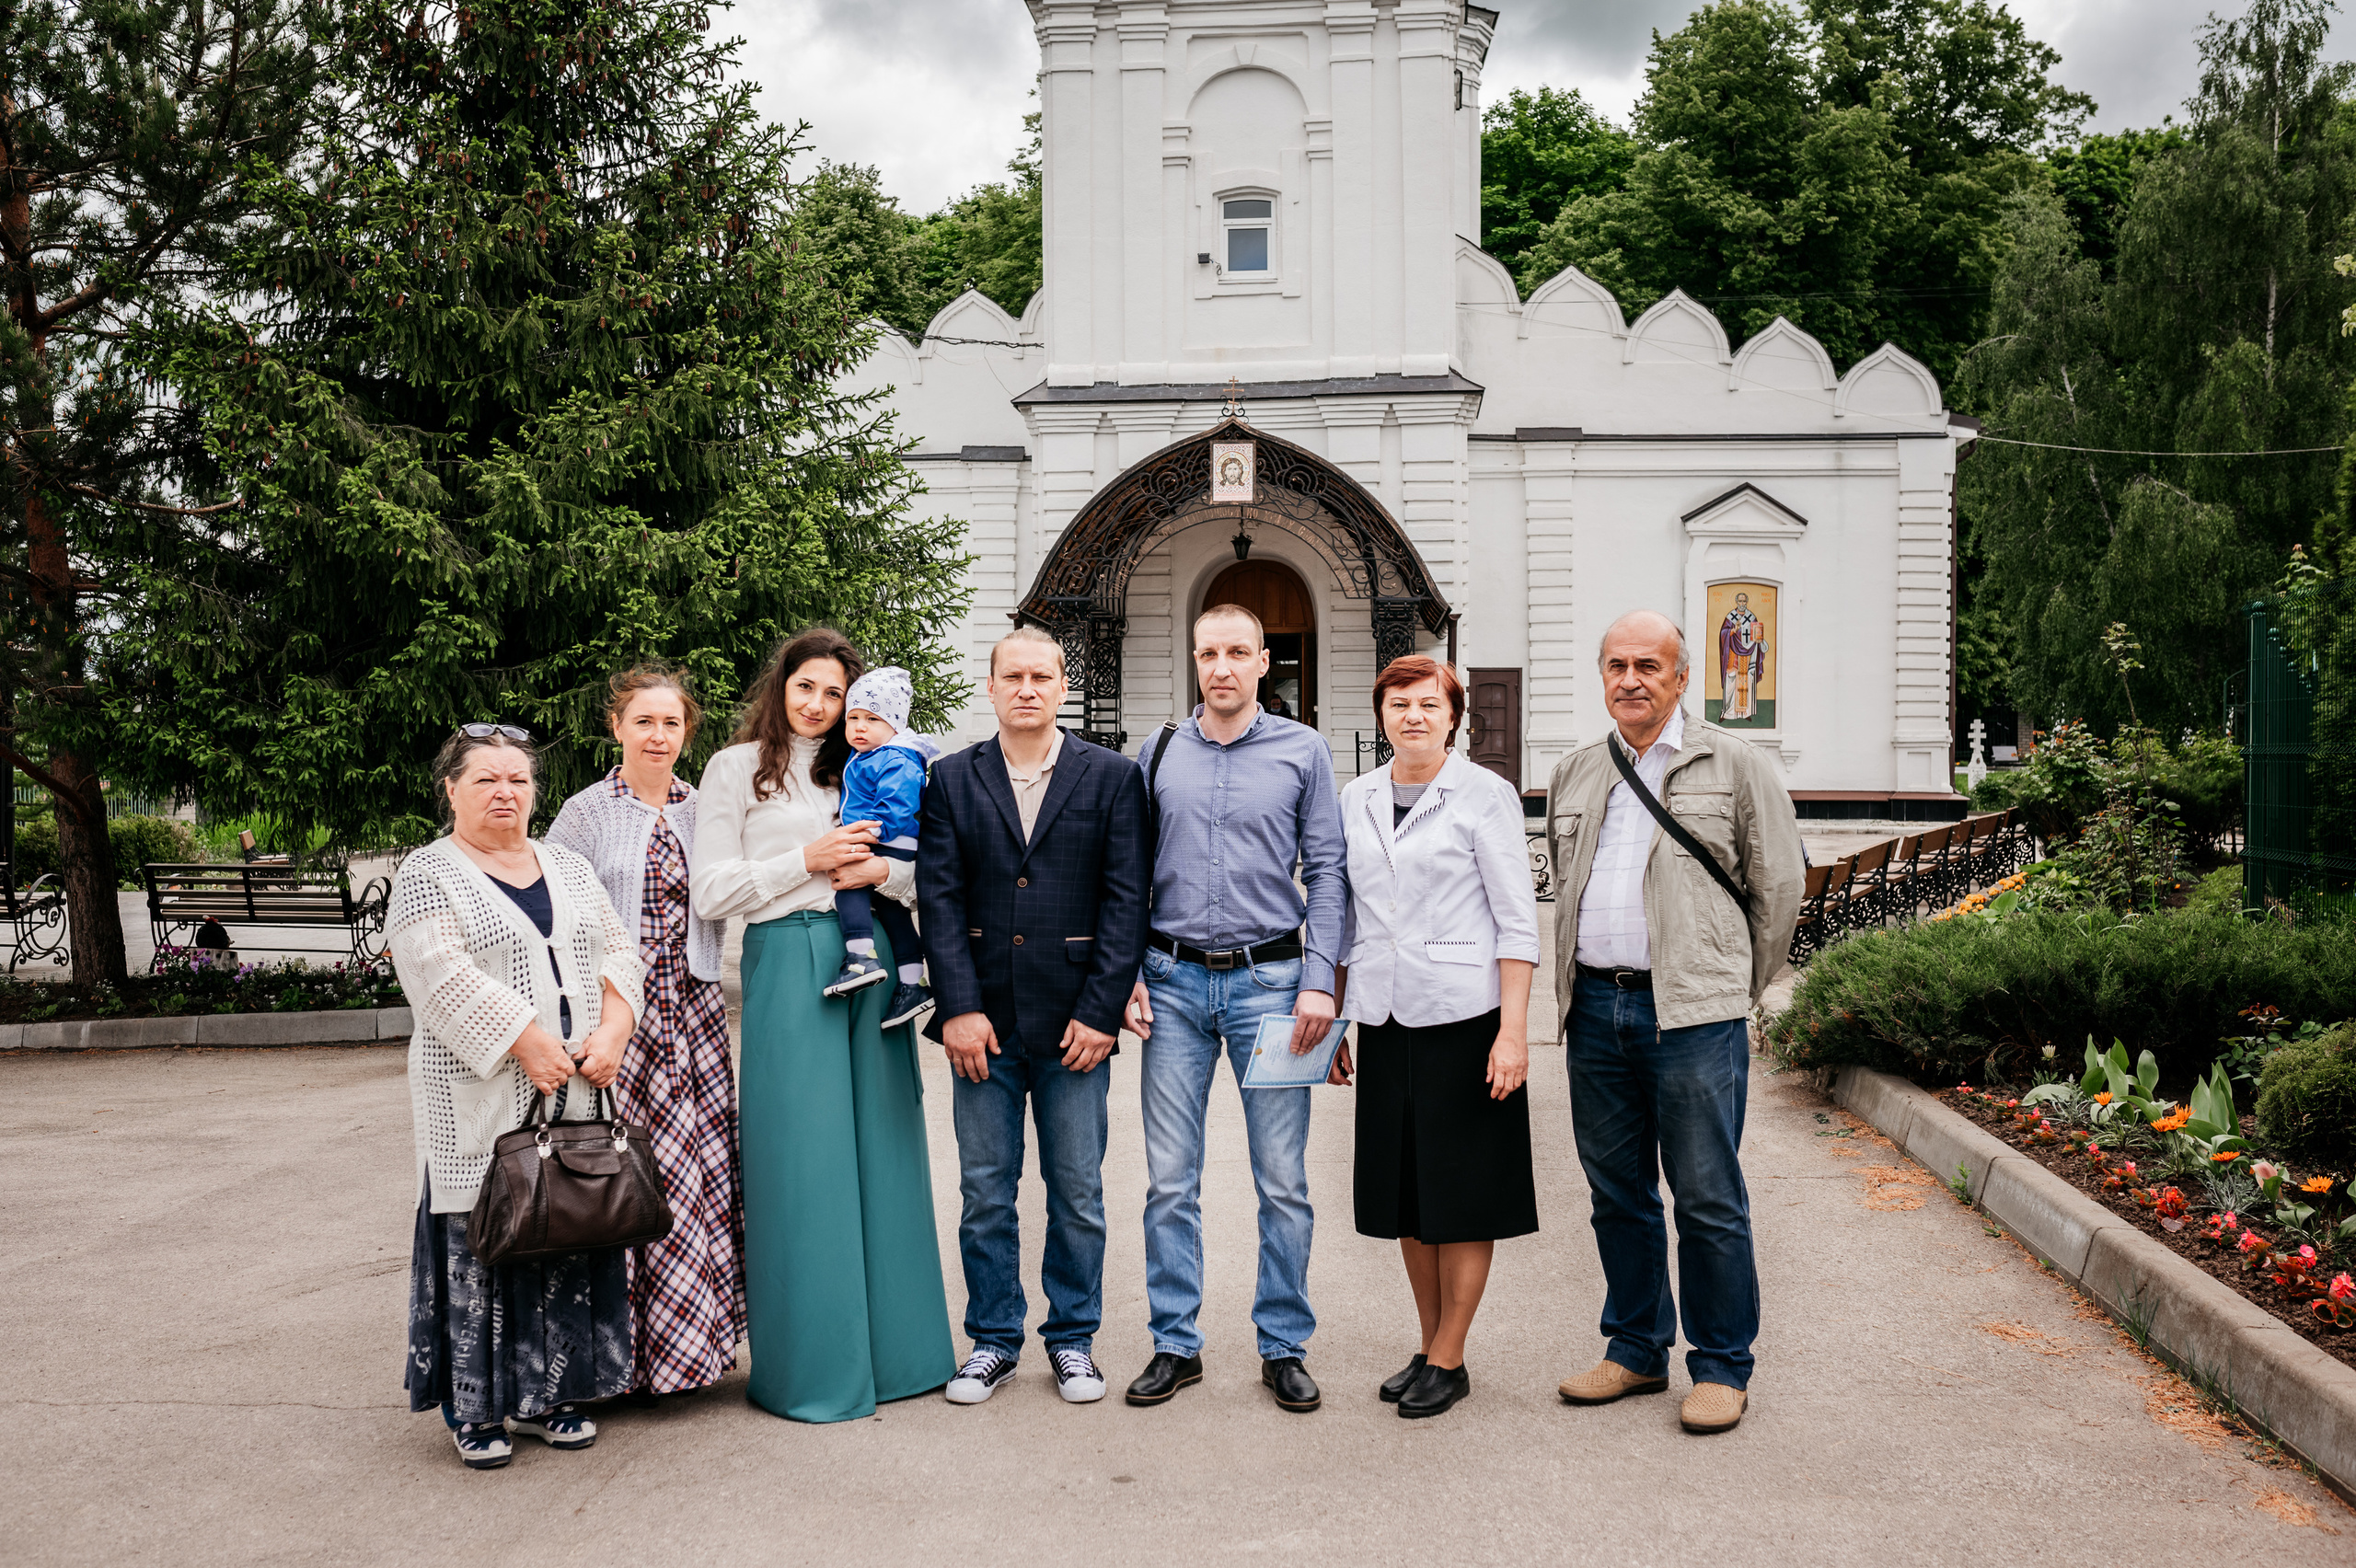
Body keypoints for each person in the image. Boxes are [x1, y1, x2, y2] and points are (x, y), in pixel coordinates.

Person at [1545, 609, 1803, 1435]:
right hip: (1595, 1008)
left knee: (1706, 1195)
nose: (1631, 679)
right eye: (1617, 664)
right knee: (1617, 1193)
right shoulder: (1579, 770)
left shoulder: (1734, 767)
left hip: (1692, 1016)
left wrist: (1729, 985)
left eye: (1648, 665)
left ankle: (1723, 1364)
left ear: (1683, 677)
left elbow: (1780, 888)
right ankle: (1634, 1349)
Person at [690, 628, 955, 1423]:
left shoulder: (870, 763)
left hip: (870, 956)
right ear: (781, 687)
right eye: (806, 687)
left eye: (835, 693)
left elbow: (917, 867)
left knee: (885, 1151)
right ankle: (815, 1372)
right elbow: (710, 892)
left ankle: (903, 1360)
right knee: (802, 1165)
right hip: (787, 961)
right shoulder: (735, 769)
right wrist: (803, 860)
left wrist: (882, 871)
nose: (819, 705)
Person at [391, 723, 644, 1470]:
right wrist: (528, 1041)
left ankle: (555, 1396)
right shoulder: (429, 872)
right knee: (488, 1241)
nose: (506, 792)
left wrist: (612, 1034)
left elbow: (618, 954)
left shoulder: (566, 866)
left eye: (519, 780)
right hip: (478, 1100)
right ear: (452, 790)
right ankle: (476, 1410)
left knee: (565, 1230)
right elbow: (438, 972)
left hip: (575, 1095)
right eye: (486, 780)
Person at [917, 624, 1149, 1408]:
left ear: (1060, 686)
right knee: (986, 1189)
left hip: (1075, 1023)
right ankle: (993, 1340)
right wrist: (958, 1008)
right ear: (991, 687)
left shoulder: (1111, 777)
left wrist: (1102, 1011)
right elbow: (940, 900)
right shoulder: (951, 779)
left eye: (1041, 677)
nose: (1027, 689)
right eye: (1012, 676)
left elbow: (1126, 901)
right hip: (982, 1023)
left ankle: (1073, 1340)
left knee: (1077, 1189)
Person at [1122, 604, 1345, 1414]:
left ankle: (1283, 1344)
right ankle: (1175, 1343)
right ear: (1195, 659)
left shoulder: (1304, 752)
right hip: (1172, 982)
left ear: (1262, 663)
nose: (1221, 667)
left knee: (1283, 1180)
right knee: (1169, 1180)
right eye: (1209, 653)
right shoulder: (1156, 753)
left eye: (1238, 653)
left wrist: (1322, 979)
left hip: (1275, 986)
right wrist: (1127, 975)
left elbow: (1327, 869)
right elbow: (1129, 874)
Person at [1329, 656, 1541, 1420]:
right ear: (1380, 714)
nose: (1412, 716)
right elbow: (1347, 917)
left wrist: (1512, 1034)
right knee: (1405, 1195)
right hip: (1383, 1017)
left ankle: (1451, 1353)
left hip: (1465, 1018)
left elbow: (1517, 923)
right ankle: (1429, 1348)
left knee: (1463, 1194)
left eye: (1428, 704)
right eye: (1398, 704)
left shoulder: (1486, 796)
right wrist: (1338, 1015)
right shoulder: (1356, 796)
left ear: (1455, 717)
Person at [546, 666, 745, 1401]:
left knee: (693, 1180)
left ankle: (685, 1357)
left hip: (693, 1015)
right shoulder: (588, 812)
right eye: (644, 722)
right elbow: (556, 912)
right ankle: (609, 1364)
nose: (658, 736)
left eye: (671, 724)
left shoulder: (705, 810)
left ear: (687, 732)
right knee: (616, 1180)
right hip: (617, 1021)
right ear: (617, 727)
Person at [821, 664, 939, 1031]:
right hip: (886, 838)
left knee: (850, 888)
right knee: (892, 912)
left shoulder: (895, 757)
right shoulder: (870, 755)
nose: (859, 727)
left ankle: (861, 959)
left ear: (895, 725)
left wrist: (871, 834)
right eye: (853, 717)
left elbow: (900, 804)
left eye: (872, 719)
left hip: (887, 839)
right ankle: (913, 982)